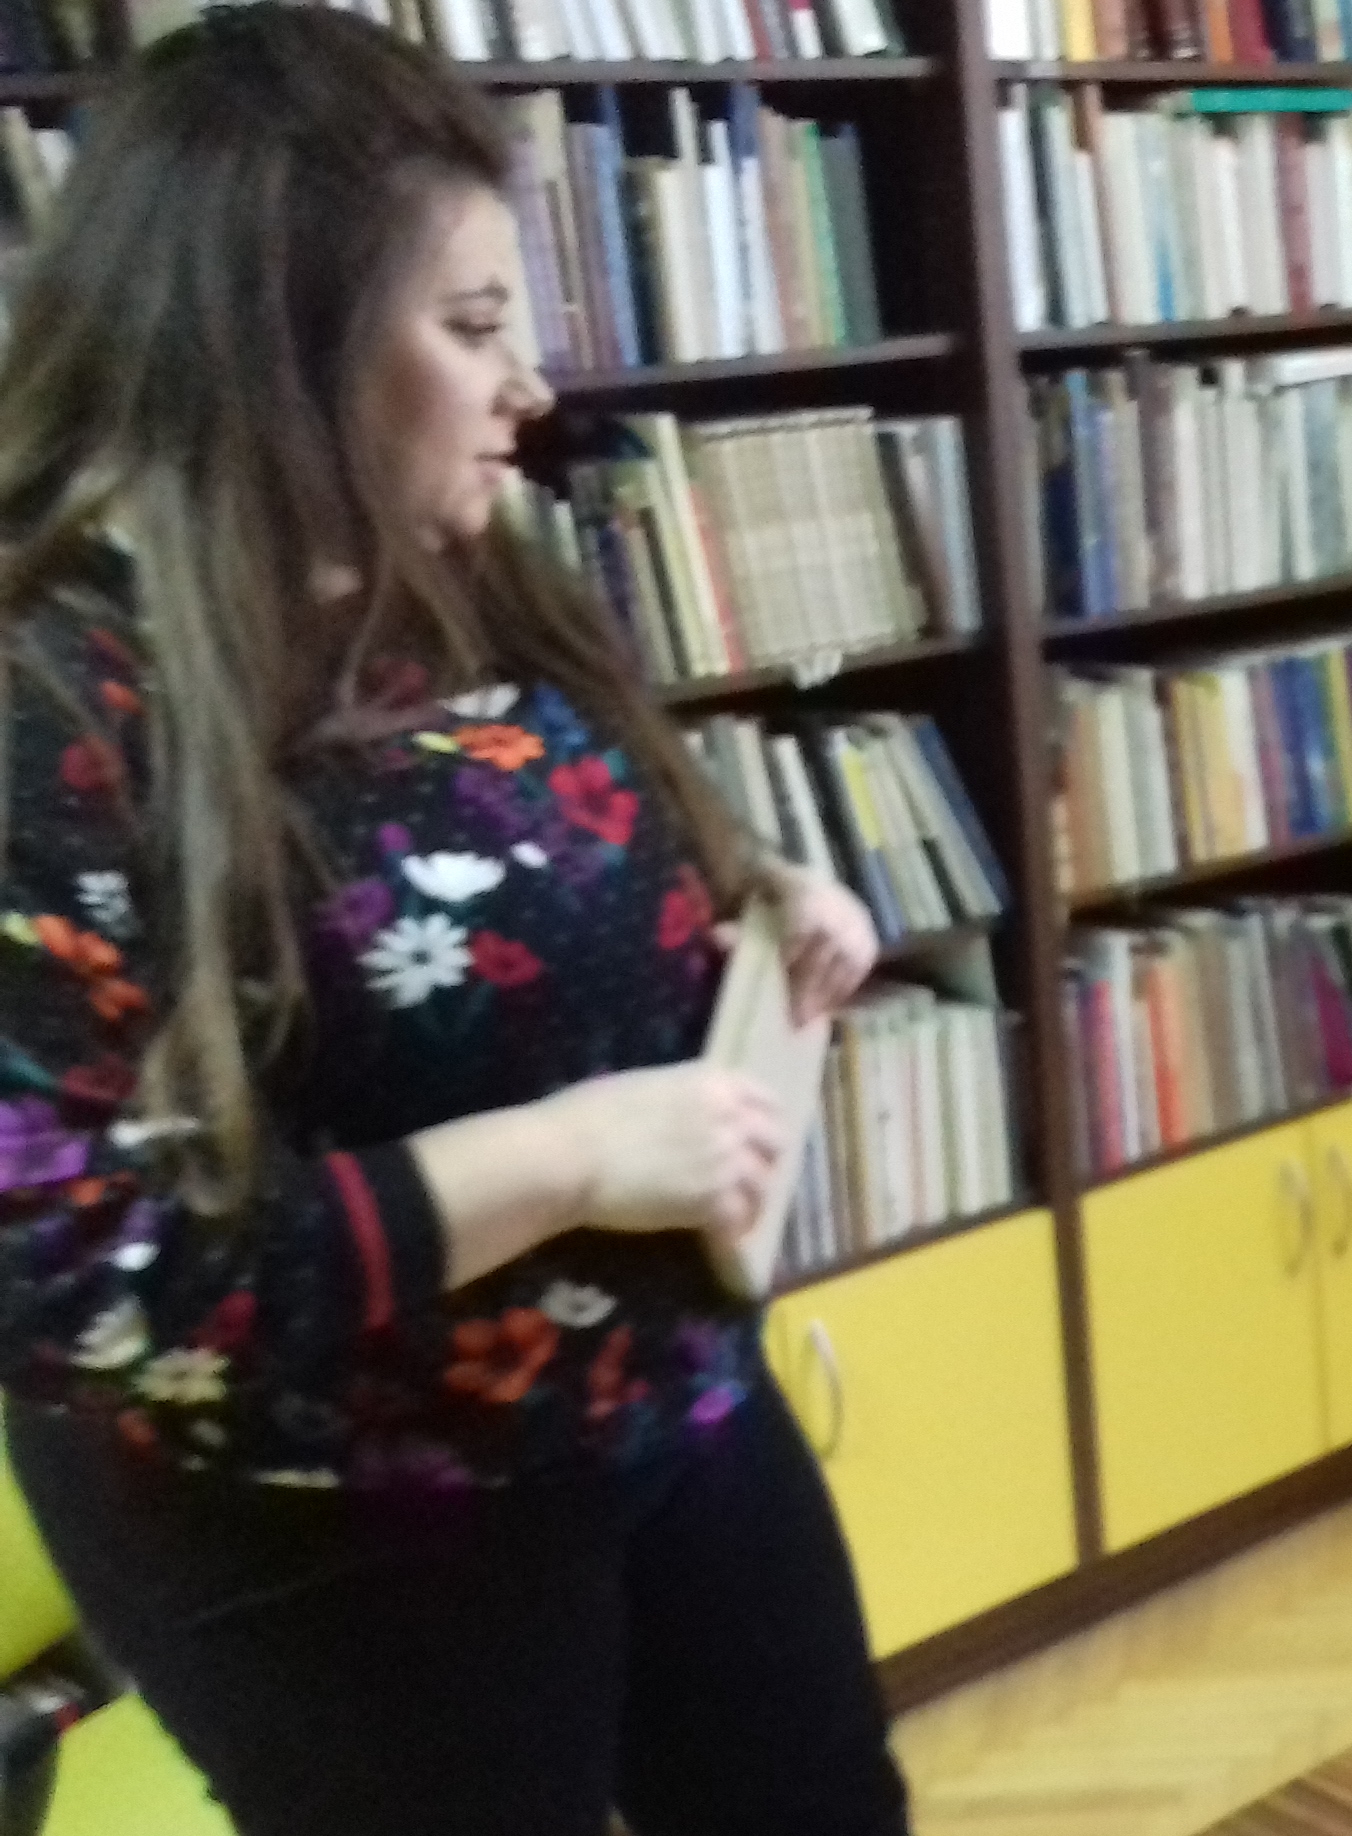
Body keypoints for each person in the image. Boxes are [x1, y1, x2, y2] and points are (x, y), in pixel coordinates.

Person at [0, 11, 907, 1833]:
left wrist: (755, 897)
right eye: (474, 328)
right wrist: (569, 1159)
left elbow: (560, 832)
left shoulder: (449, 557)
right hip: (340, 1517)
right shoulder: (54, 703)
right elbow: (89, 1275)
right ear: (278, 348)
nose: (532, 389)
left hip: (664, 1392)